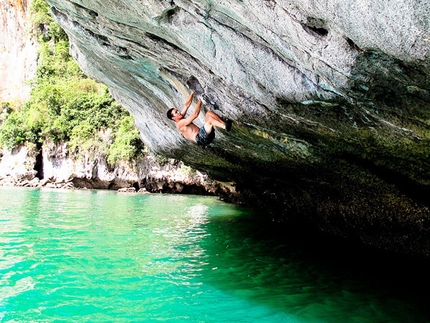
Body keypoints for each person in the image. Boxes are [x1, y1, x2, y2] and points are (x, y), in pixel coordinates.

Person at [167, 92, 231, 147]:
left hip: (204, 134)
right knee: (210, 120)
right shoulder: (180, 124)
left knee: (209, 113)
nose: (178, 112)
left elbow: (186, 105)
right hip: (200, 138)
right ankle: (225, 126)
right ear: (173, 118)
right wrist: (200, 101)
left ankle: (224, 123)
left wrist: (193, 92)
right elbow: (195, 115)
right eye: (176, 112)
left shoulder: (180, 117)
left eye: (177, 111)